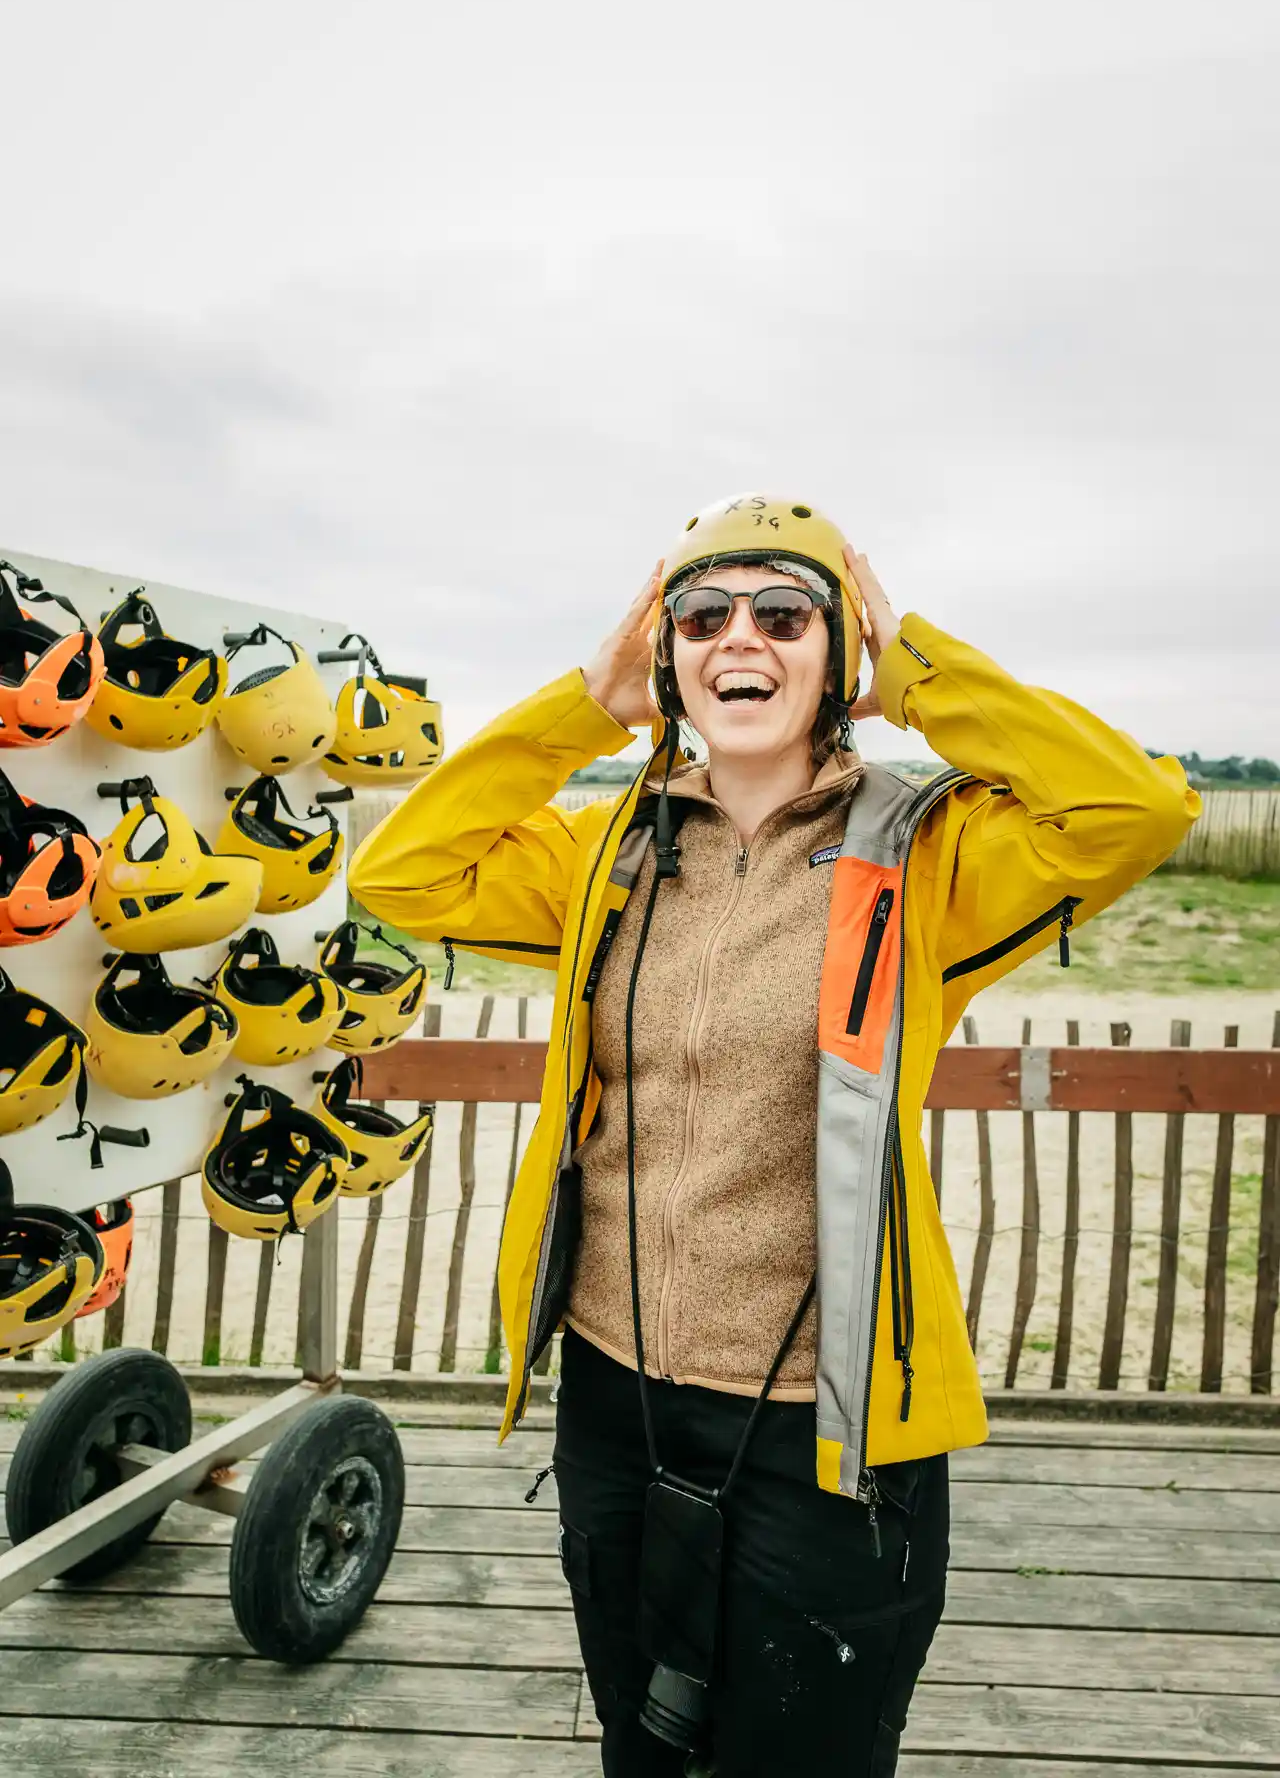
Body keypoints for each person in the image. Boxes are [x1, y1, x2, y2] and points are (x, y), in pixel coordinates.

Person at [349, 497, 1198, 1777]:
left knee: (806, 1755)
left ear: (834, 652)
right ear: (668, 657)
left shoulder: (926, 857)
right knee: (640, 1745)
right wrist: (583, 704)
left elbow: (1130, 809)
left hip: (827, 1423)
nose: (738, 637)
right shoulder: (607, 856)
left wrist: (914, 663)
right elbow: (402, 873)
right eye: (701, 615)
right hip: (613, 1394)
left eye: (783, 613)